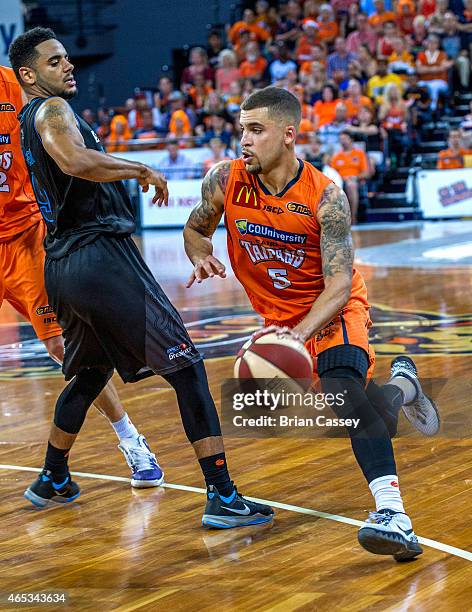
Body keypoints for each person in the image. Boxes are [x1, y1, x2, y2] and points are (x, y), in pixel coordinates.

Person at [10, 27, 273, 528]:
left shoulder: (28, 118)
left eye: (68, 58)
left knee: (88, 374)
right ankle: (221, 494)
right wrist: (138, 169)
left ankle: (53, 476)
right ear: (29, 75)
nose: (69, 66)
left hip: (61, 264)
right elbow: (73, 160)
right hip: (100, 257)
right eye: (55, 61)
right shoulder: (50, 111)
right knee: (188, 368)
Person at [184, 86, 440, 561]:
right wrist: (199, 251)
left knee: (345, 395)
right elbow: (196, 227)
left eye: (255, 130)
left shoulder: (327, 198)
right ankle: (404, 387)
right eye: (241, 128)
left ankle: (394, 515)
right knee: (358, 414)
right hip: (279, 320)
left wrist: (297, 338)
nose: (244, 140)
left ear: (287, 134)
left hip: (333, 311)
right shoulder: (224, 180)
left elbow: (340, 285)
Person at [0, 65, 162, 489]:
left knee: (64, 347)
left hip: (24, 237)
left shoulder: (15, 87)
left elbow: (57, 144)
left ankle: (131, 440)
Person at [330, 131, 370, 223]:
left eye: (345, 139)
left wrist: (355, 177)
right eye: (341, 139)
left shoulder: (359, 154)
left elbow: (366, 173)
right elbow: (331, 173)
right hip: (339, 181)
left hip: (356, 180)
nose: (342, 141)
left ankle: (353, 217)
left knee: (351, 185)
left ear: (351, 140)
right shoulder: (336, 156)